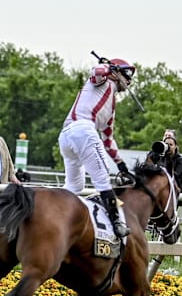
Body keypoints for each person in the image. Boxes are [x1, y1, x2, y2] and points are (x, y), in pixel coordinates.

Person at [58, 57, 136, 237]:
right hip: (82, 131)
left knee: (74, 186)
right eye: (127, 75)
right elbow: (95, 72)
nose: (129, 81)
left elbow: (108, 140)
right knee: (102, 177)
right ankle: (116, 224)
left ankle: (52, 212)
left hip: (68, 136)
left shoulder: (112, 105)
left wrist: (122, 166)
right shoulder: (103, 81)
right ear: (117, 74)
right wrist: (109, 67)